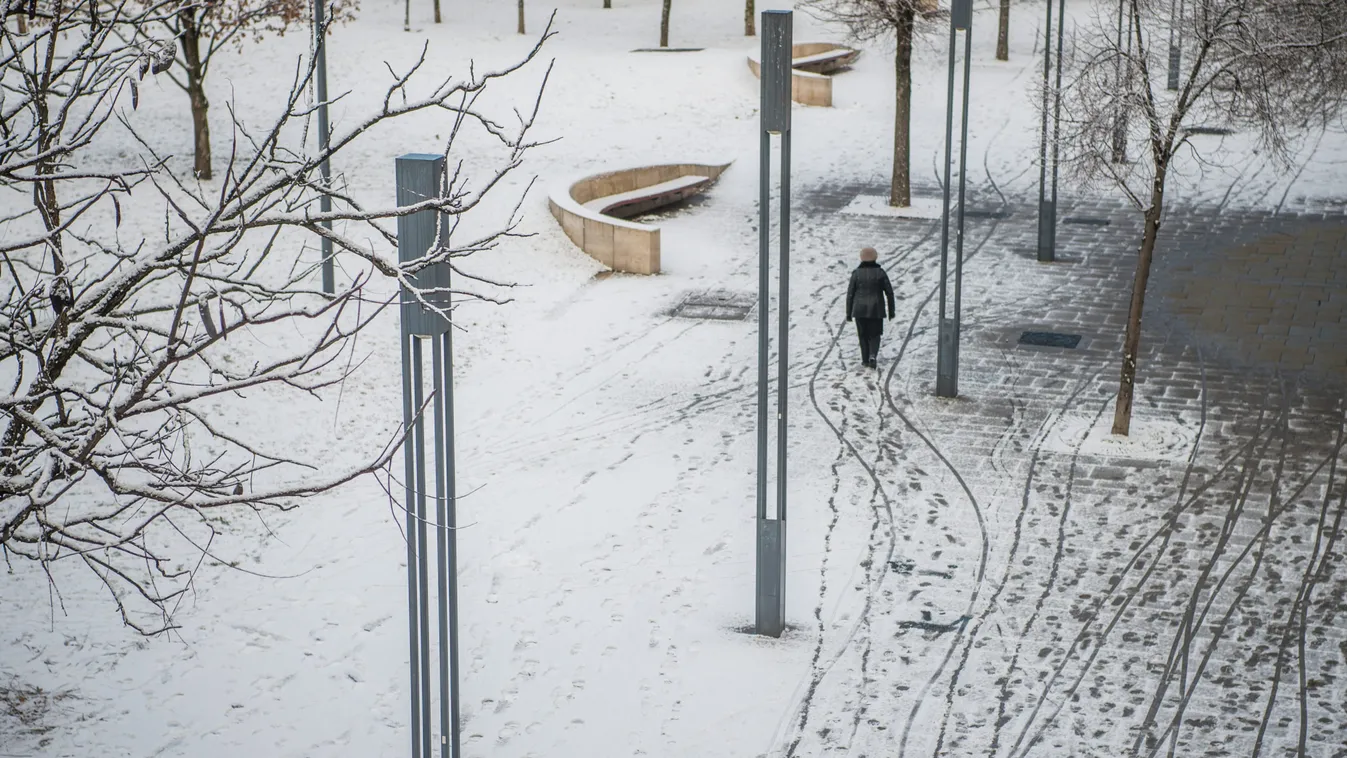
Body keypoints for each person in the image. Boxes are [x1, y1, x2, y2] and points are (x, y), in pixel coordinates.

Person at [845, 246, 895, 369]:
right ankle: (873, 355)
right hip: (876, 309)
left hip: (859, 309)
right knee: (875, 334)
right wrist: (891, 311)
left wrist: (848, 312)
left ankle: (865, 359)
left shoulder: (856, 274)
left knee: (862, 335)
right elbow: (889, 292)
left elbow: (850, 294)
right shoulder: (880, 273)